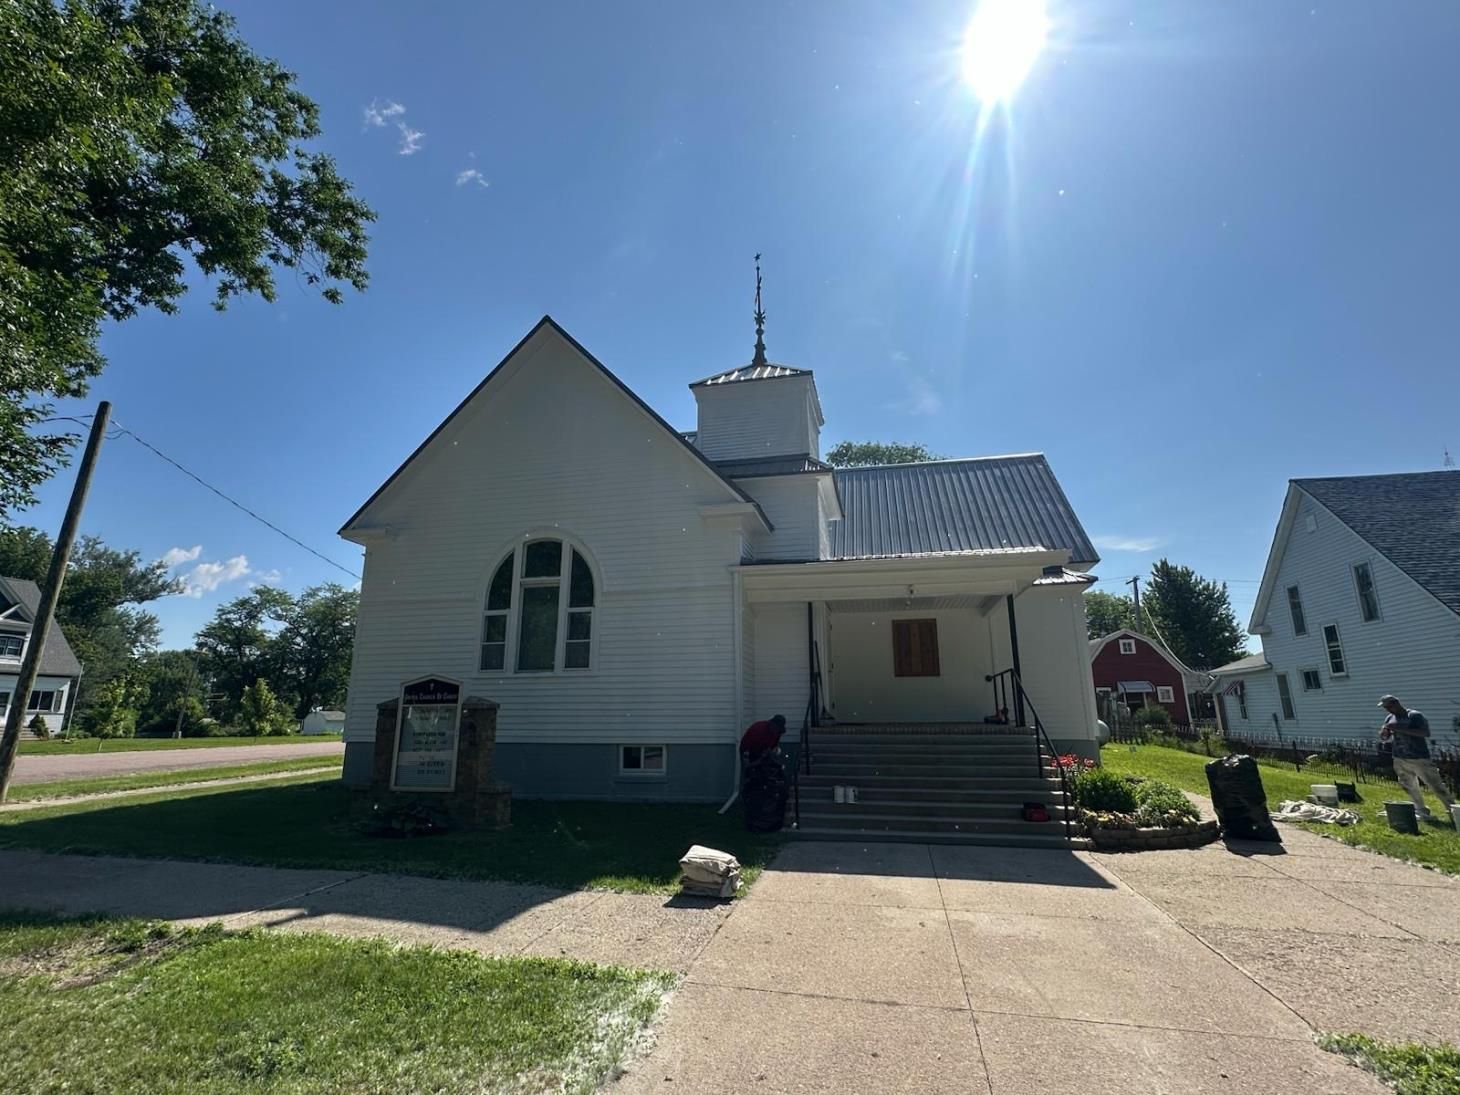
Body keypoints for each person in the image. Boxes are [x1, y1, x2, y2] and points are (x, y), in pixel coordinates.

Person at [1379, 695, 1456, 823]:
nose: (1387, 710)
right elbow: (1384, 737)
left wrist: (1399, 728)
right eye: (1385, 708)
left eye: (1389, 706)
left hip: (1419, 757)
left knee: (1436, 786)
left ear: (1396, 703)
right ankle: (1420, 810)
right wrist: (1384, 733)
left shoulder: (1414, 716)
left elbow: (1425, 733)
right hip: (1399, 757)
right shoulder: (1390, 718)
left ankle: (1453, 811)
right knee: (1409, 786)